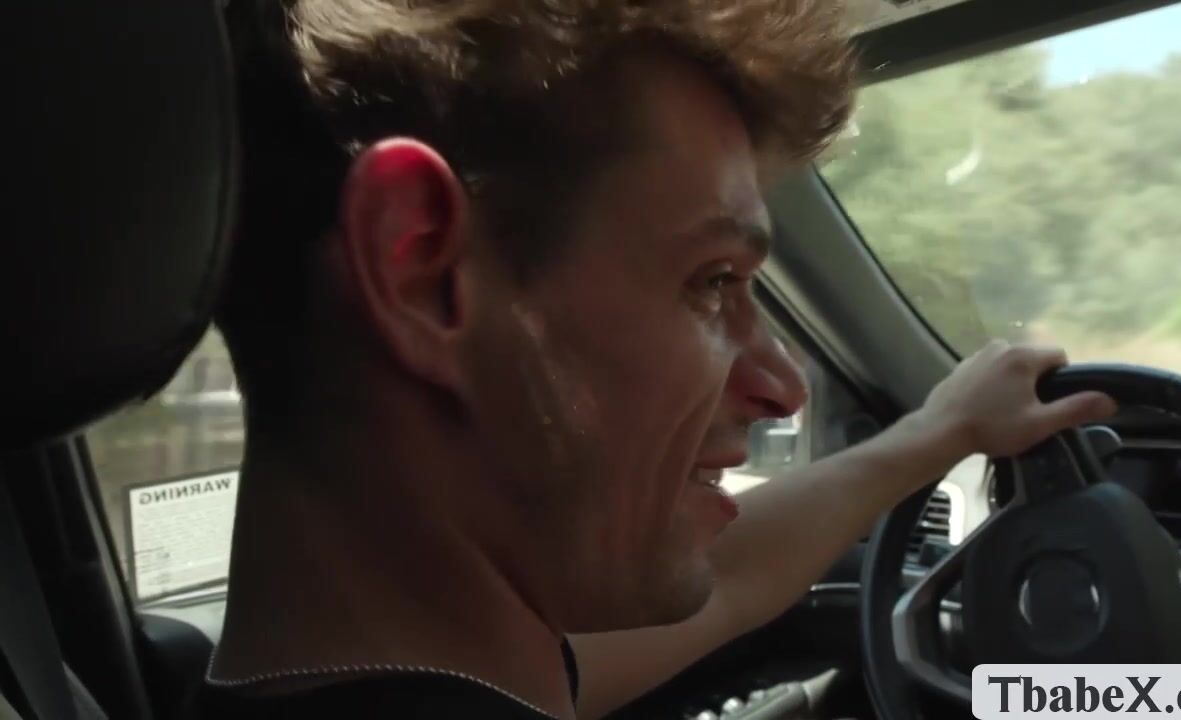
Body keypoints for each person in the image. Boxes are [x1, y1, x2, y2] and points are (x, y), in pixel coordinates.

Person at [193, 0, 1117, 718]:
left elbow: (732, 583)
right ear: (422, 269)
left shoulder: (418, 663)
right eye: (712, 282)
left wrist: (943, 429)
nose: (782, 387)